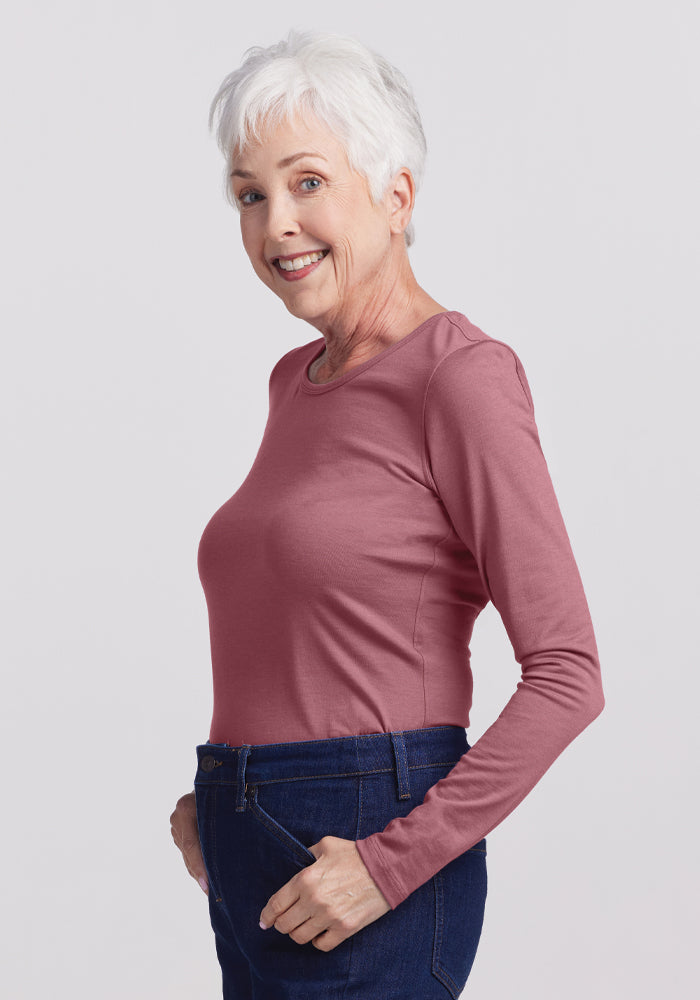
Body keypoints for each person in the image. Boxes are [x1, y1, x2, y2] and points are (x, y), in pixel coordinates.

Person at [170, 28, 605, 999]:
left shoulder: (460, 376)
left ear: (397, 194)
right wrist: (223, 797)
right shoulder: (295, 381)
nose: (276, 221)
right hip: (256, 844)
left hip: (366, 840)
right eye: (250, 194)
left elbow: (568, 673)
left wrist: (389, 862)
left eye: (307, 182)